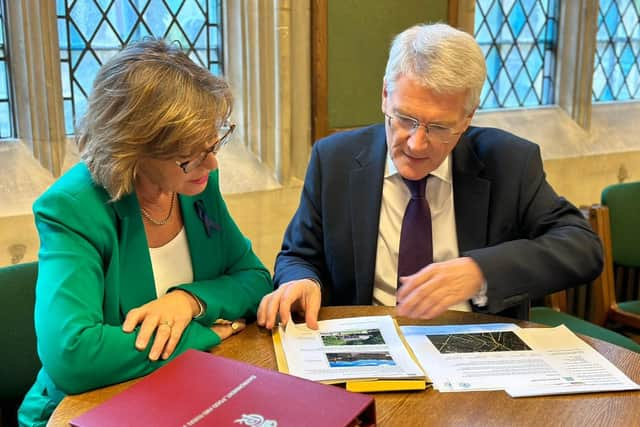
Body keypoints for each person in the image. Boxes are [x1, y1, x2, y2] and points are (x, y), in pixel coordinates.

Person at [257, 23, 603, 330]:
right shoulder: (335, 159)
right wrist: (303, 281)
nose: (417, 143)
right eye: (405, 119)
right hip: (369, 344)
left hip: (476, 349)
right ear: (384, 96)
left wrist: (479, 271)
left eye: (439, 127)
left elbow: (582, 247)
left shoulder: (509, 162)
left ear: (467, 118)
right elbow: (299, 255)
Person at [18, 39, 272, 426]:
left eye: (213, 141)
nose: (212, 161)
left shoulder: (196, 185)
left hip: (183, 395)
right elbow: (72, 356)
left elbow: (254, 280)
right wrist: (201, 334)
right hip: (86, 409)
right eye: (189, 154)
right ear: (132, 148)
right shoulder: (72, 210)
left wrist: (188, 302)